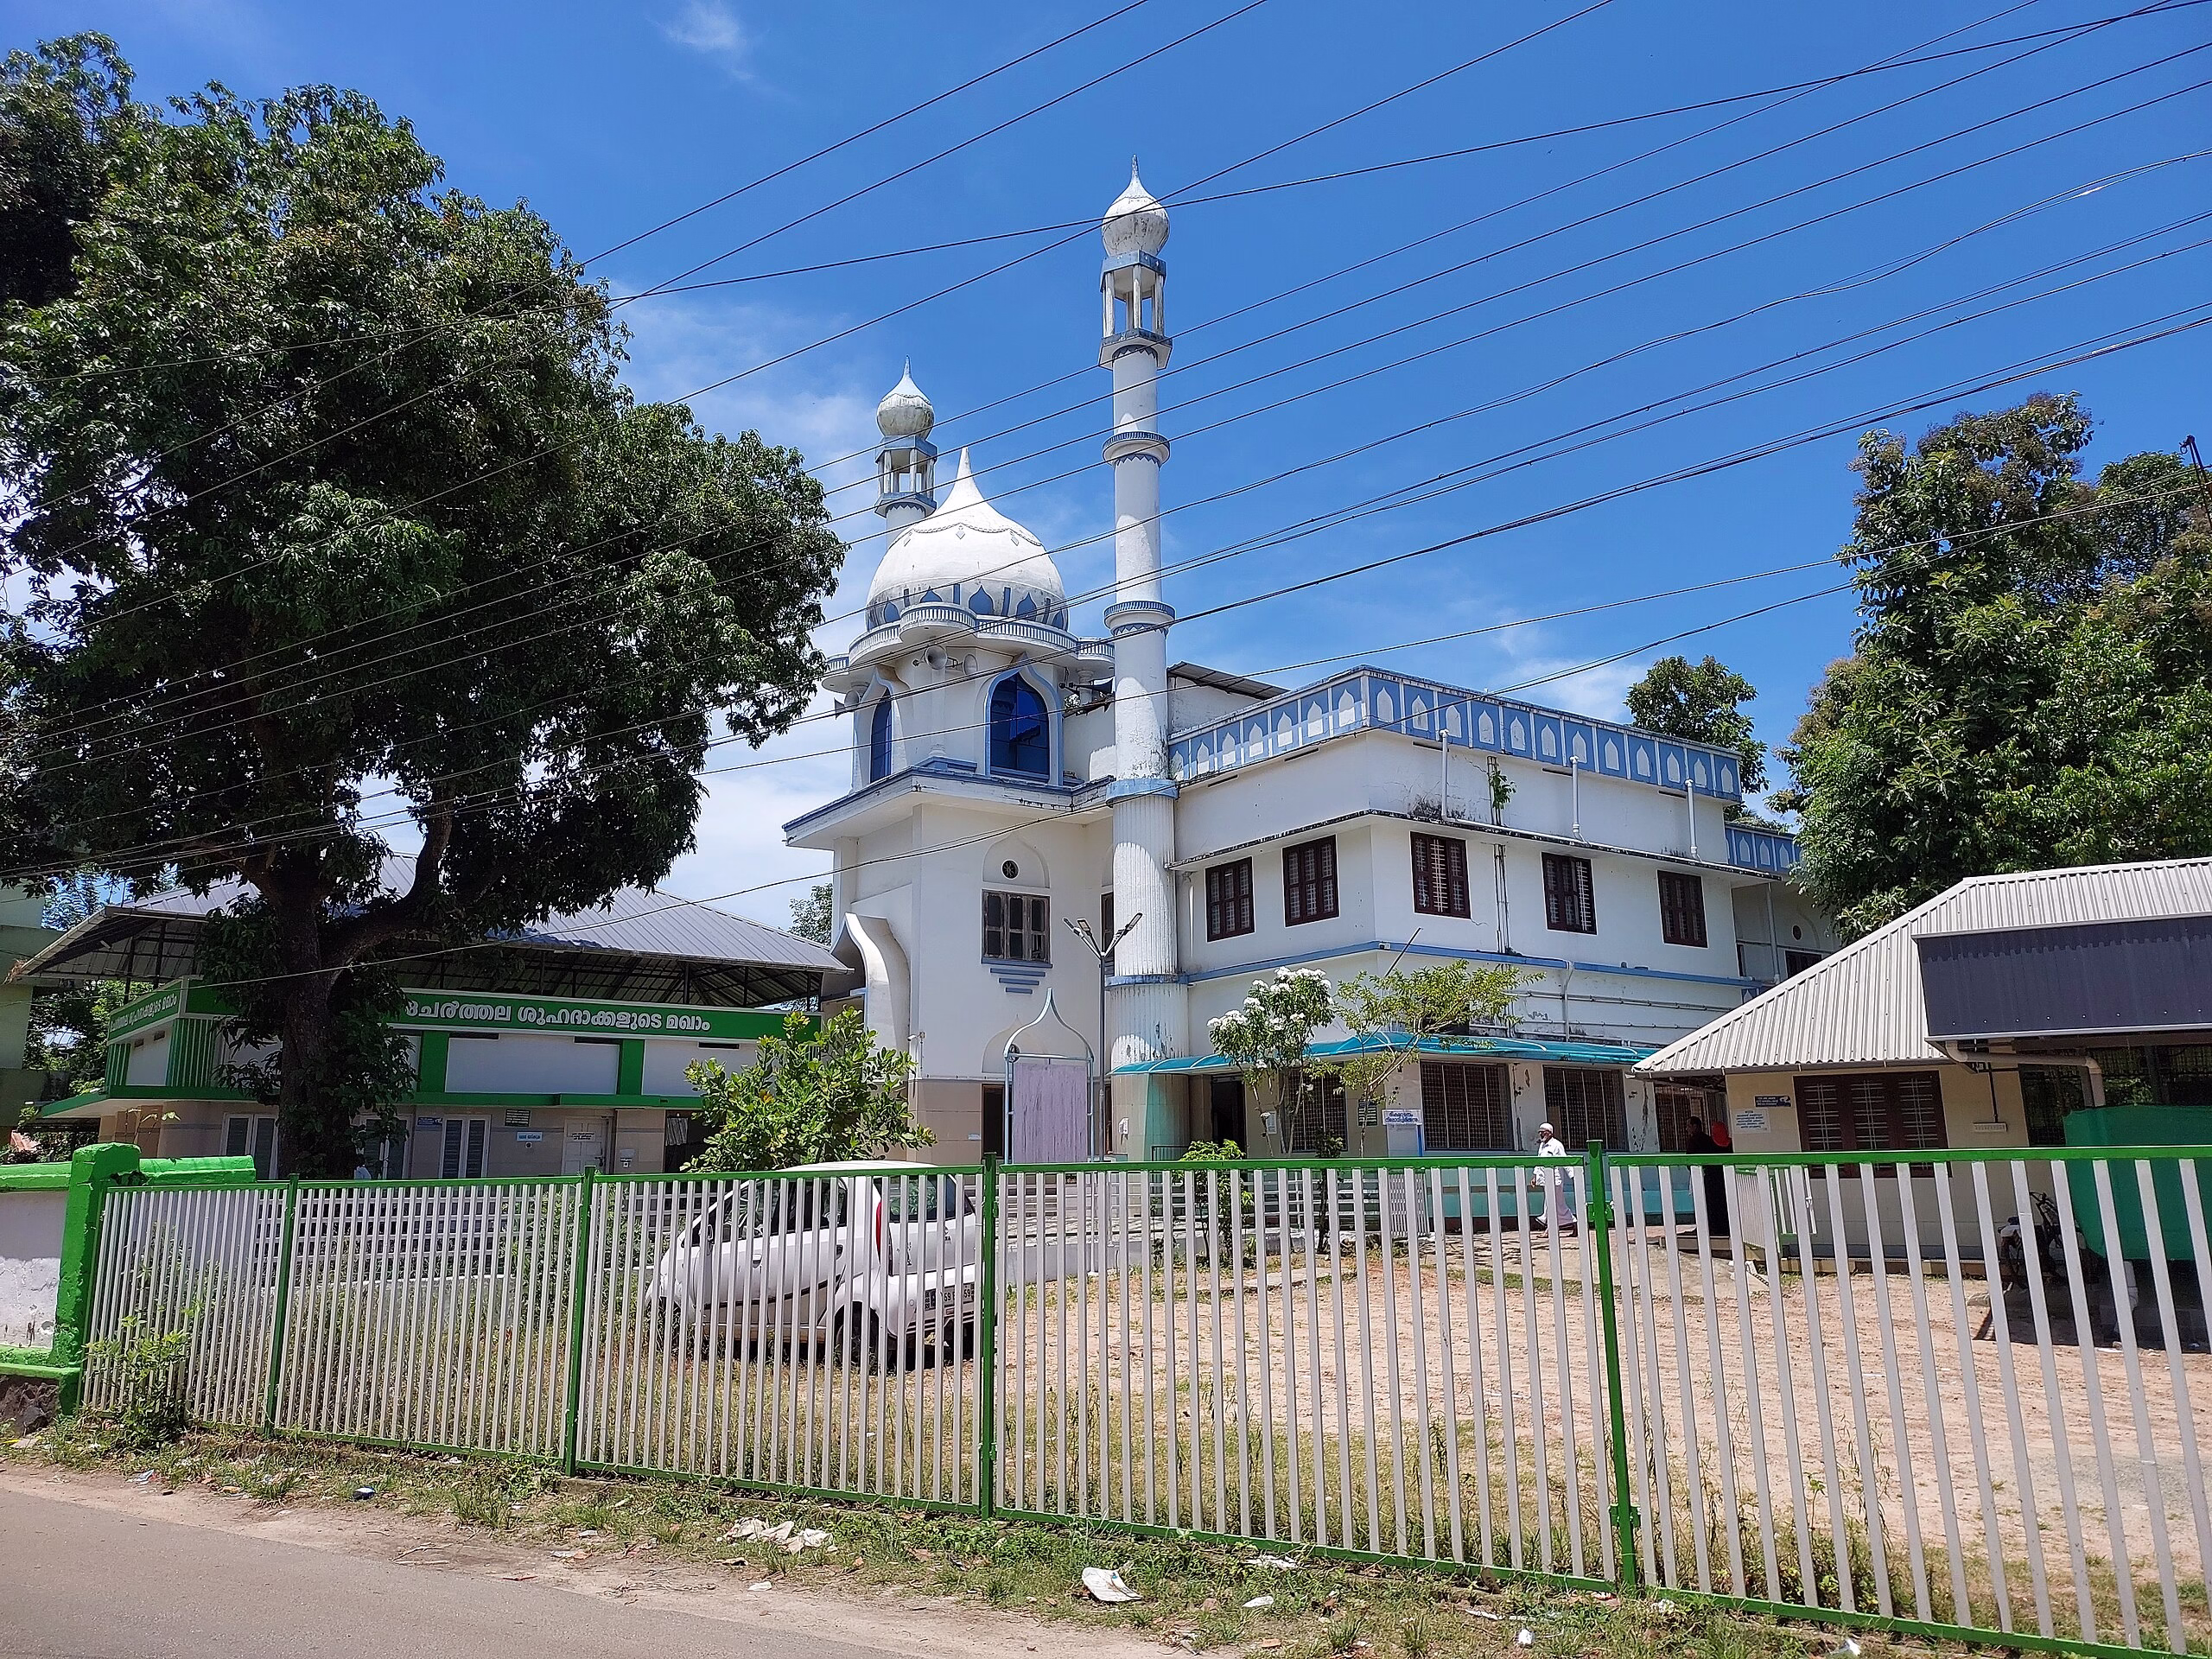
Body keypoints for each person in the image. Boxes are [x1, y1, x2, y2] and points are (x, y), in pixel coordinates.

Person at [1535, 1120, 1577, 1232]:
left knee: (1554, 1204)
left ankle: (1552, 1228)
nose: (1541, 1134)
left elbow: (1565, 1160)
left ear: (1549, 1133)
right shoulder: (1542, 1145)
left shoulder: (1557, 1145)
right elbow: (1539, 1161)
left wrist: (1573, 1176)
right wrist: (1535, 1176)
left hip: (1555, 1180)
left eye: (1543, 1132)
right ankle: (1571, 1224)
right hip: (1545, 1179)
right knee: (1555, 1204)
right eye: (1540, 1132)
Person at [1703, 1114, 1733, 1236]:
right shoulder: (1731, 1144)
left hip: (1712, 1181)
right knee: (1727, 1204)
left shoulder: (1710, 1145)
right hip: (1727, 1180)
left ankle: (1716, 1230)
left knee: (1714, 1206)